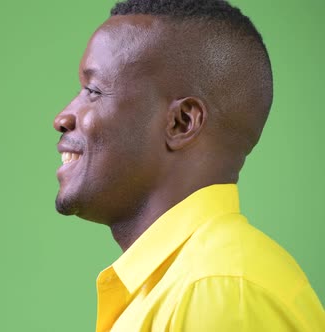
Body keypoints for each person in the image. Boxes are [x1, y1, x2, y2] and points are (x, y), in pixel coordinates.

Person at [52, 0, 325, 331]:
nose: (63, 118)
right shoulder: (183, 288)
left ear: (181, 123)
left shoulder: (219, 293)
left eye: (93, 91)